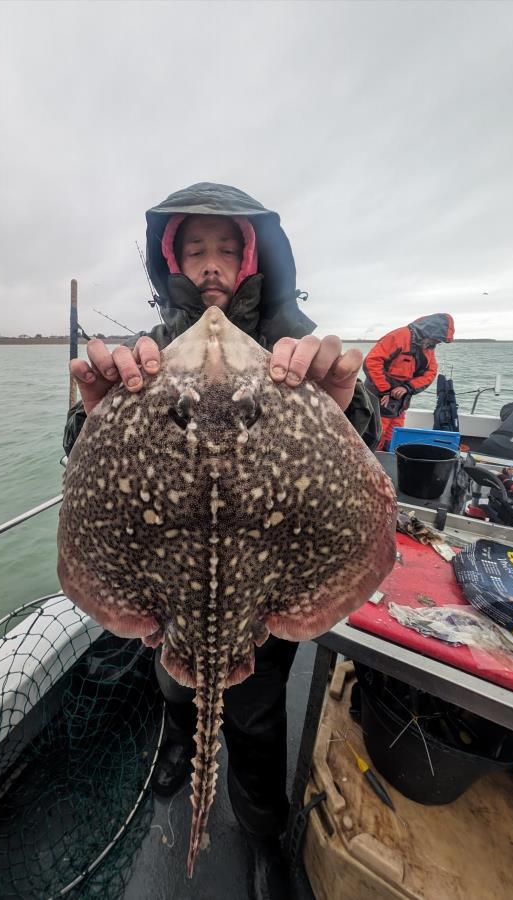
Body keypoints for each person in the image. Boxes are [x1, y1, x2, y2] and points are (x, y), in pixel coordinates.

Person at [63, 182, 379, 899]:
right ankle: (178, 741)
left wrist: (341, 406)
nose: (209, 264)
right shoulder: (142, 362)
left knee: (257, 719)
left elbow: (356, 465)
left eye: (225, 248)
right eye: (194, 248)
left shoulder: (292, 353)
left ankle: (263, 836)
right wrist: (92, 419)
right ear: (172, 260)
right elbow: (82, 471)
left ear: (251, 260)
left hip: (262, 586)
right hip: (170, 591)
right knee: (173, 682)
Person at [363, 314, 455, 451]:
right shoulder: (399, 336)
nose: (436, 343)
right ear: (429, 331)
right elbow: (372, 361)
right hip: (380, 397)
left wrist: (408, 387)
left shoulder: (428, 347)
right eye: (436, 340)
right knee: (374, 437)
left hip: (400, 402)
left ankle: (385, 464)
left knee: (393, 439)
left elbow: (430, 373)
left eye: (438, 341)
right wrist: (385, 390)